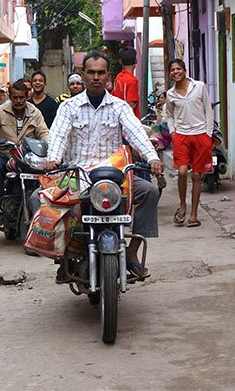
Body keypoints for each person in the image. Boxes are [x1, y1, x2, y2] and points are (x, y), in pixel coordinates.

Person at [43, 50, 163, 280]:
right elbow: (58, 135)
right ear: (83, 75)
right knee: (43, 200)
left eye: (100, 73)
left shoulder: (119, 107)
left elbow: (136, 132)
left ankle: (131, 252)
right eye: (91, 72)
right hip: (78, 175)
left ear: (108, 76)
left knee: (149, 191)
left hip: (115, 177)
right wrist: (53, 160)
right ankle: (64, 256)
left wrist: (152, 158)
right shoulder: (69, 107)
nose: (96, 77)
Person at [0, 79, 50, 224]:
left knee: (44, 173)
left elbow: (43, 132)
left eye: (22, 97)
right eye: (15, 97)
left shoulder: (35, 113)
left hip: (27, 156)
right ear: (10, 97)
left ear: (27, 96)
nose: (18, 101)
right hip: (6, 153)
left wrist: (50, 145)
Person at [165, 58, 214, 228]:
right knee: (182, 171)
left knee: (197, 176)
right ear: (170, 73)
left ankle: (193, 215)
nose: (176, 72)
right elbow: (169, 115)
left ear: (185, 71)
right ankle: (182, 204)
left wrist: (208, 134)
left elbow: (208, 109)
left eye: (179, 69)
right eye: (172, 70)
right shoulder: (170, 94)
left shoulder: (199, 86)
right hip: (182, 136)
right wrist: (173, 132)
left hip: (201, 135)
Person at [112, 46, 141, 120]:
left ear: (120, 62)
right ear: (136, 61)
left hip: (117, 118)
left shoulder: (118, 77)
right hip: (129, 122)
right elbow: (130, 105)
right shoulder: (132, 81)